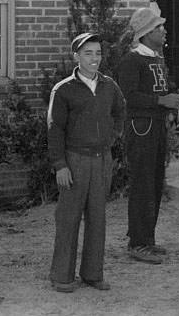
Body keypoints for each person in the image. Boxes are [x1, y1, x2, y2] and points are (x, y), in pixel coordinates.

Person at [47, 32, 126, 293]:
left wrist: (111, 138)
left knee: (97, 217)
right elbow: (55, 129)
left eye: (98, 53)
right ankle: (62, 276)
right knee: (68, 218)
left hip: (101, 159)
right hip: (74, 159)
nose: (94, 59)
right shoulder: (64, 89)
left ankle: (93, 274)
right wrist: (60, 165)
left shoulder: (109, 86)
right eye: (88, 53)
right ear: (76, 57)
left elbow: (120, 112)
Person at [117, 7, 179, 264]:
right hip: (141, 129)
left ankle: (147, 239)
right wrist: (162, 100)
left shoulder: (157, 59)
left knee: (155, 182)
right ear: (146, 33)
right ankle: (137, 242)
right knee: (142, 184)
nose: (164, 31)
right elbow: (130, 96)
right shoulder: (131, 61)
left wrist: (176, 99)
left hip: (157, 127)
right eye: (159, 28)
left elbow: (163, 88)